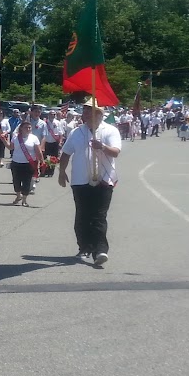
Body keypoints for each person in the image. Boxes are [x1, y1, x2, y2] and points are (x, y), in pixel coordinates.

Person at [58, 100, 122, 266]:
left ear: (99, 114)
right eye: (84, 111)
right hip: (80, 181)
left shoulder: (110, 131)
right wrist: (61, 171)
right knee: (82, 216)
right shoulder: (77, 132)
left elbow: (115, 152)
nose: (85, 114)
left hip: (104, 180)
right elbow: (65, 153)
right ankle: (85, 246)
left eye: (89, 111)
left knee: (99, 216)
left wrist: (102, 147)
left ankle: (100, 250)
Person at [9, 119, 42, 207]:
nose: (28, 129)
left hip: (29, 163)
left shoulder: (34, 138)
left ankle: (24, 200)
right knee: (16, 180)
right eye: (26, 127)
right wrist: (3, 139)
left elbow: (38, 151)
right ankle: (18, 196)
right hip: (16, 162)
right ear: (21, 128)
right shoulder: (15, 137)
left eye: (29, 127)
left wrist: (41, 162)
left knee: (26, 181)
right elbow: (10, 147)